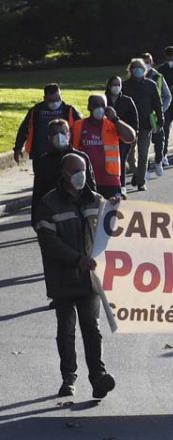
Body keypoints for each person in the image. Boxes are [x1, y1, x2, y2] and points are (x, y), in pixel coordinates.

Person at [35, 153, 117, 399]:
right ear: (65, 174)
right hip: (63, 279)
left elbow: (111, 228)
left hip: (90, 280)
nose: (81, 175)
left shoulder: (96, 200)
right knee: (67, 329)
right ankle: (68, 377)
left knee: (92, 327)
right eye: (76, 171)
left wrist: (115, 207)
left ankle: (98, 377)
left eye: (83, 170)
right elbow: (48, 242)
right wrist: (76, 259)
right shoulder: (49, 204)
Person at [31, 119, 96, 228]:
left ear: (69, 135)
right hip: (54, 213)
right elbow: (38, 191)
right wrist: (35, 219)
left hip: (79, 212)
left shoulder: (81, 157)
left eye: (62, 132)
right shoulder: (43, 162)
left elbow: (91, 186)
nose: (59, 136)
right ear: (49, 138)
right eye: (55, 133)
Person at [70, 95, 135, 199]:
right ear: (89, 107)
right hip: (86, 180)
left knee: (110, 213)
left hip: (110, 181)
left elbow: (131, 137)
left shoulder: (112, 124)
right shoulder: (79, 126)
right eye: (96, 105)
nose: (99, 108)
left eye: (102, 105)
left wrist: (115, 119)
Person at [13, 83, 81, 165]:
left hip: (64, 154)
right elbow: (24, 129)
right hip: (40, 154)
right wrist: (18, 148)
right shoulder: (36, 111)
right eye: (51, 101)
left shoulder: (68, 110)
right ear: (45, 98)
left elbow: (80, 129)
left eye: (58, 99)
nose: (55, 103)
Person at [121, 59, 163, 189]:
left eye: (140, 67)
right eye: (135, 68)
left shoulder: (151, 85)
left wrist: (160, 120)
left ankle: (141, 181)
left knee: (143, 154)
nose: (137, 70)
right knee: (129, 156)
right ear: (130, 70)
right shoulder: (125, 86)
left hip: (145, 125)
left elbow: (157, 104)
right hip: (129, 126)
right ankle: (136, 173)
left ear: (145, 70)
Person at [105, 77, 139, 190]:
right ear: (109, 86)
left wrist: (133, 133)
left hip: (124, 137)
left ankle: (122, 185)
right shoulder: (104, 101)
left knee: (122, 159)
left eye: (118, 84)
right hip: (107, 136)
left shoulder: (127, 100)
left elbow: (134, 120)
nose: (116, 87)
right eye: (114, 84)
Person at [142, 53, 172, 177]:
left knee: (159, 141)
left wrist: (161, 110)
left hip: (155, 116)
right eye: (144, 62)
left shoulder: (158, 77)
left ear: (152, 63)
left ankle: (158, 161)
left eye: (148, 62)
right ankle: (146, 169)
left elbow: (167, 96)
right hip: (143, 116)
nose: (146, 64)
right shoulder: (137, 78)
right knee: (144, 144)